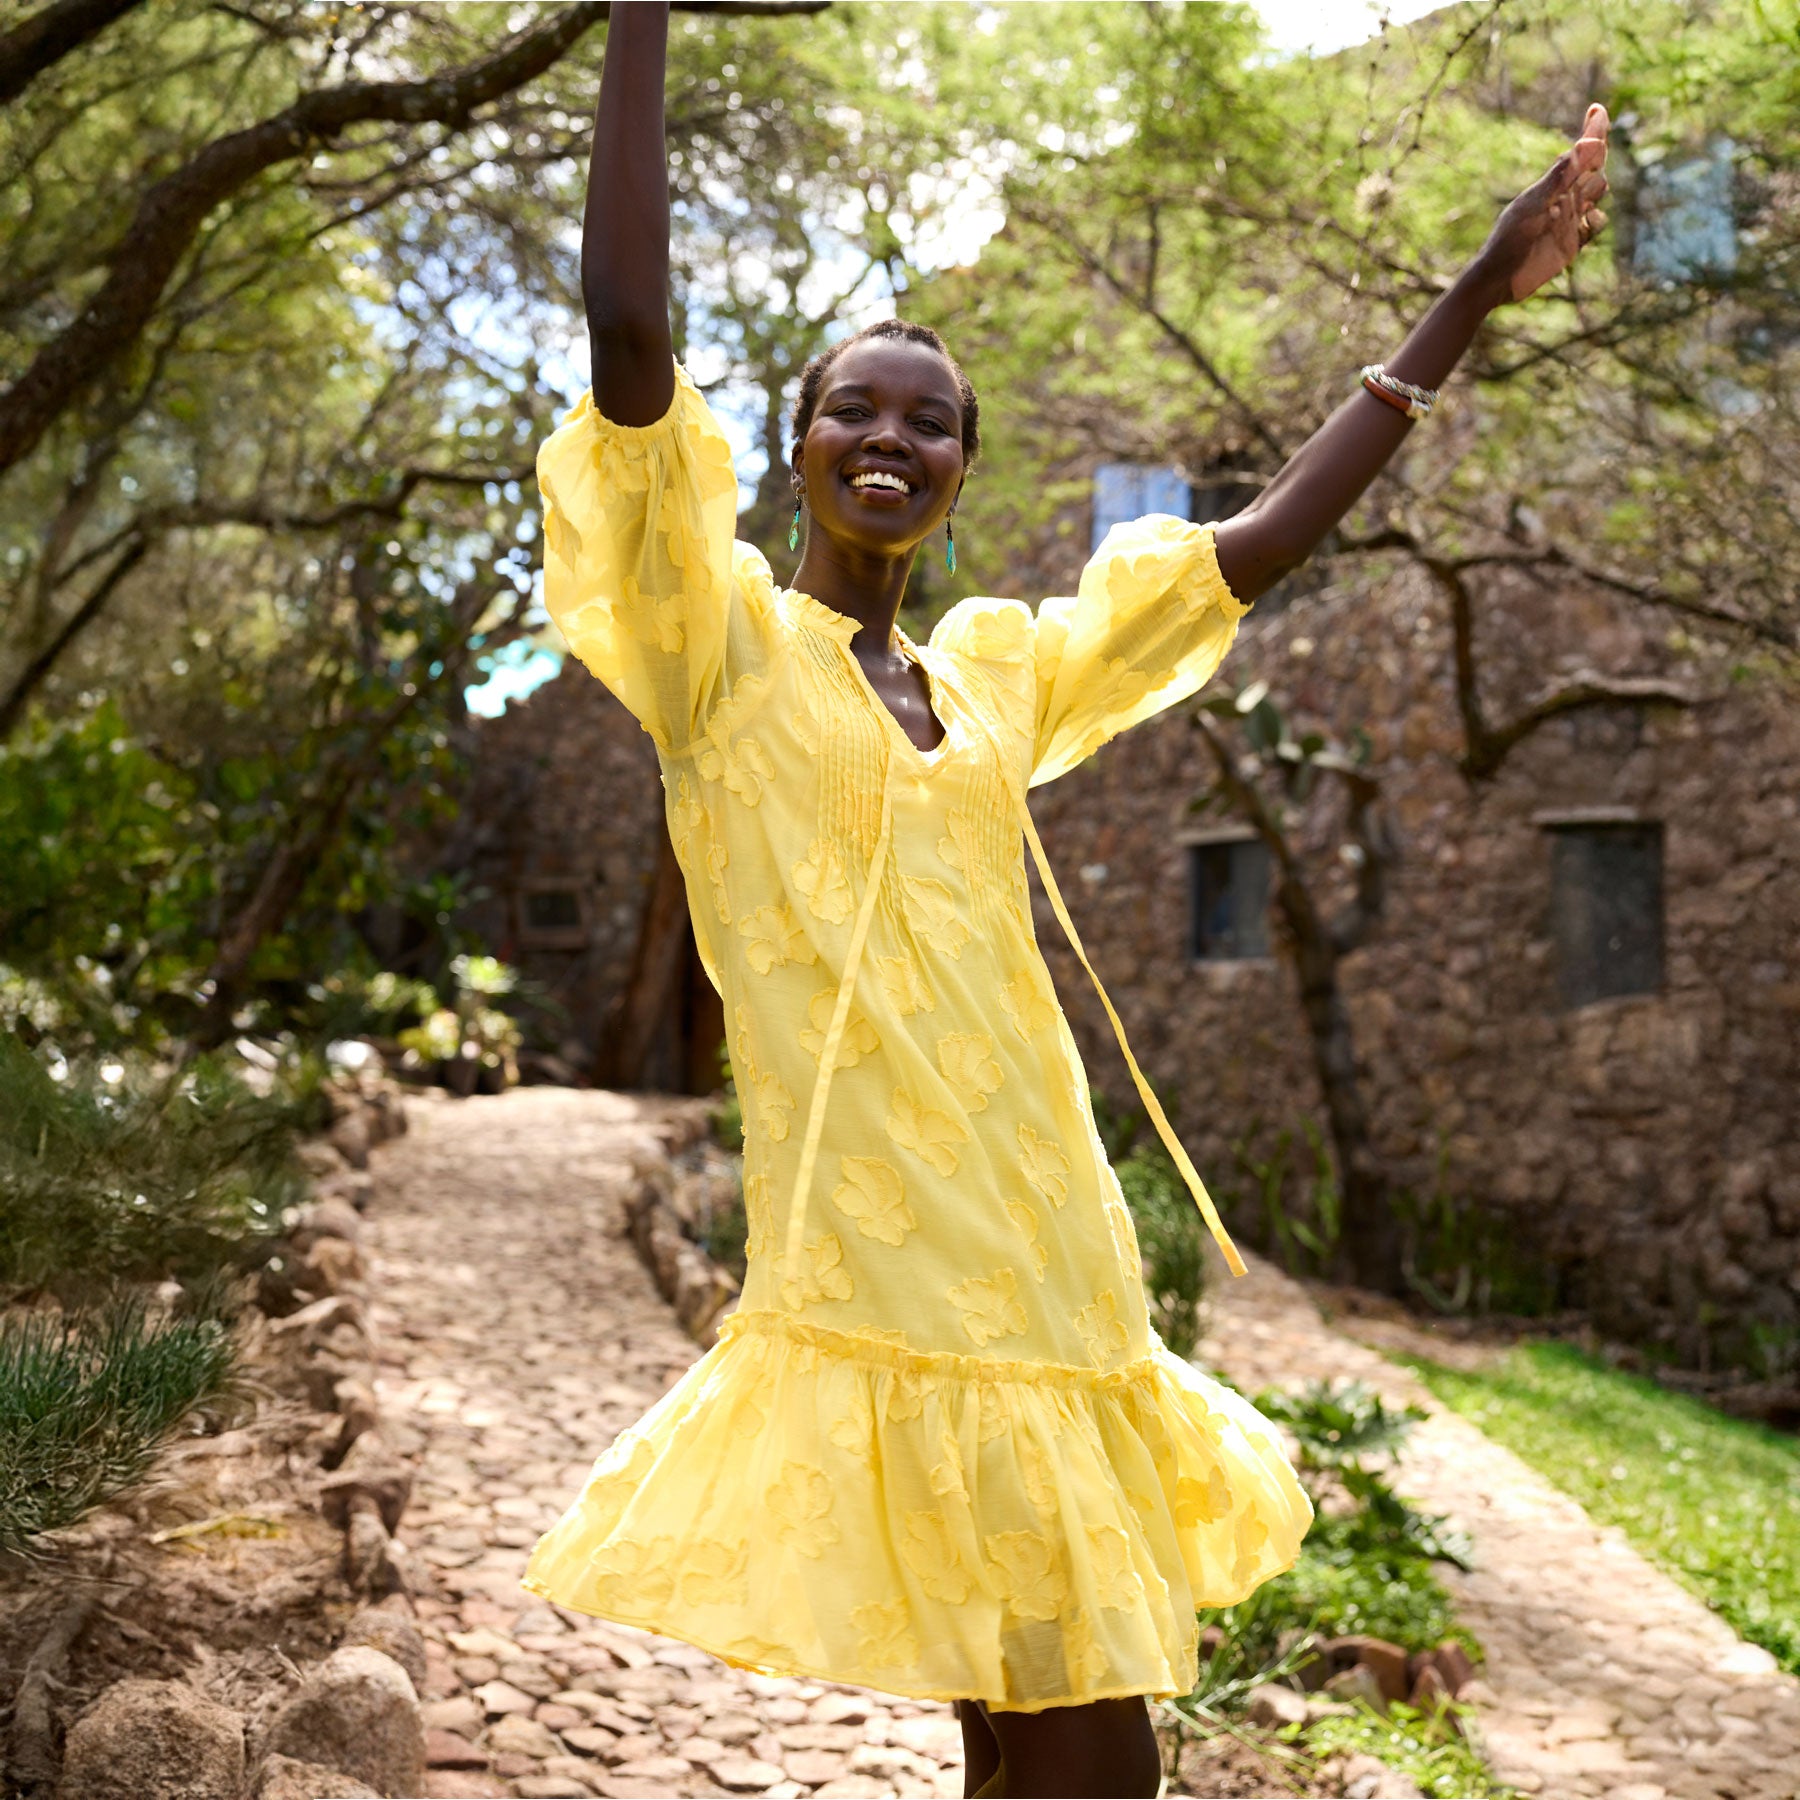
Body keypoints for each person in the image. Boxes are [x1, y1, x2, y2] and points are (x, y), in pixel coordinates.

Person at [520, 9, 1611, 1795]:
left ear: (964, 468)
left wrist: (1472, 298)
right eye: (853, 409)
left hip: (1048, 1253)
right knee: (1096, 1754)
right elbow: (630, 333)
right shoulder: (716, 650)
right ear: (795, 444)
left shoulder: (998, 673)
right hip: (882, 1263)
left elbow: (1255, 547)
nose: (889, 437)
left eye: (930, 422)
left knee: (1037, 1730)